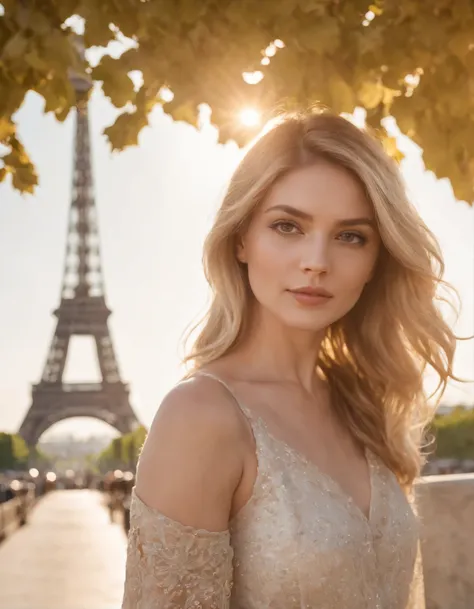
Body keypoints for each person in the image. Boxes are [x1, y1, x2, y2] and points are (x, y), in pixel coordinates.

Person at [121, 110, 458, 608]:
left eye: (351, 236)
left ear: (375, 260)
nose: (317, 261)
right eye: (287, 226)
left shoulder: (362, 404)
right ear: (241, 239)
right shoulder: (202, 417)